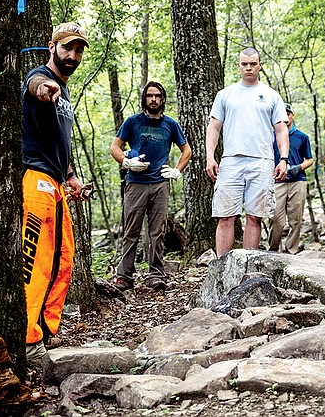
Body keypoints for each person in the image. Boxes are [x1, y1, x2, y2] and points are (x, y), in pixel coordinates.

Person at [21, 22, 90, 363]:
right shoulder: (40, 78)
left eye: (78, 51)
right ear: (52, 47)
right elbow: (35, 85)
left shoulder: (66, 94)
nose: (73, 56)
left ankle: (47, 332)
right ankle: (28, 338)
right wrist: (44, 88)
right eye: (67, 48)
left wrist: (72, 175)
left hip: (58, 182)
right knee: (37, 262)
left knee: (63, 259)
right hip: (35, 180)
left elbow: (59, 142)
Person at [206, 47, 289, 256]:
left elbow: (281, 129)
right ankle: (222, 268)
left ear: (260, 65)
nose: (249, 68)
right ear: (239, 66)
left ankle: (248, 269)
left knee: (255, 216)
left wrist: (284, 159)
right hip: (231, 160)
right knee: (225, 216)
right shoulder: (226, 94)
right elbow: (214, 127)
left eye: (253, 64)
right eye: (245, 64)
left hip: (262, 160)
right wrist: (210, 157)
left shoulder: (271, 96)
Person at [109, 81, 192, 292]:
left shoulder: (170, 125)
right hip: (136, 183)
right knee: (131, 231)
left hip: (160, 184)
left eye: (157, 96)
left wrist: (176, 171)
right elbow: (115, 147)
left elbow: (187, 151)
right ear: (144, 99)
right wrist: (126, 162)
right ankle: (124, 276)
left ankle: (156, 274)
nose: (153, 99)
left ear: (163, 99)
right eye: (149, 96)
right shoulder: (132, 122)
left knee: (158, 232)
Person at [270, 103, 314, 254]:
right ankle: (273, 249)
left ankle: (291, 250)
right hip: (277, 181)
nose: (286, 117)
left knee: (295, 218)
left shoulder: (302, 137)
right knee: (276, 217)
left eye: (288, 114)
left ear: (292, 115)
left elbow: (309, 159)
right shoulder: (272, 136)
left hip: (297, 180)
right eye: (282, 114)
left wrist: (299, 168)